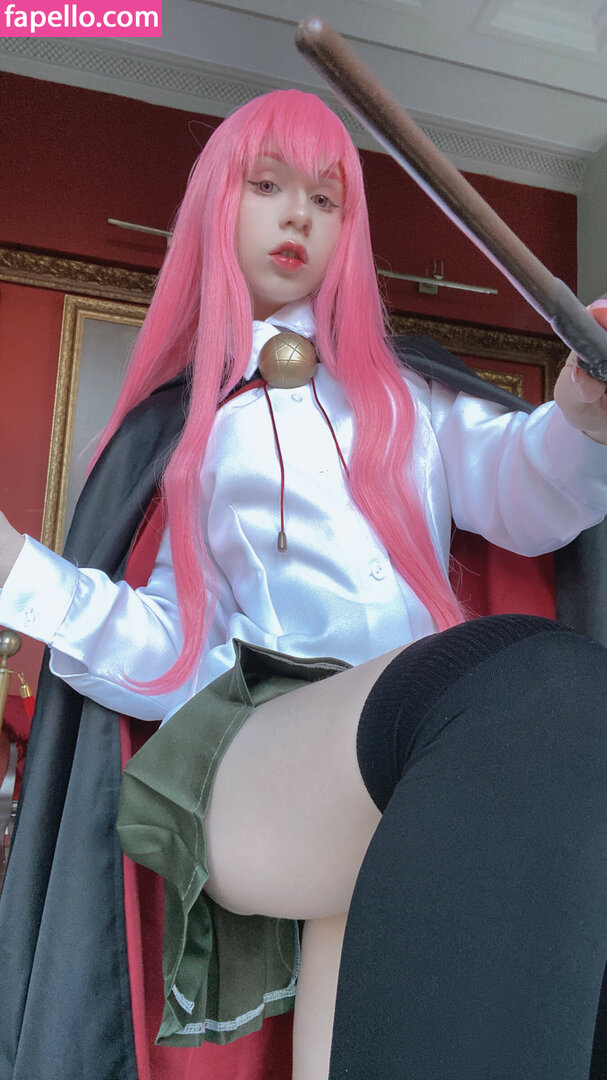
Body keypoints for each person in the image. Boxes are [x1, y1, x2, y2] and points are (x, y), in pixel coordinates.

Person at [1, 89, 607, 1080]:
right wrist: (16, 572)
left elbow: (524, 491)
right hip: (257, 754)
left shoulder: (412, 399)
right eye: (268, 185)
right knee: (529, 681)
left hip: (402, 765)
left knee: (494, 770)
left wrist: (580, 413)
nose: (298, 215)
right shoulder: (185, 434)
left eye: (326, 199)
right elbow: (169, 651)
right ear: (217, 203)